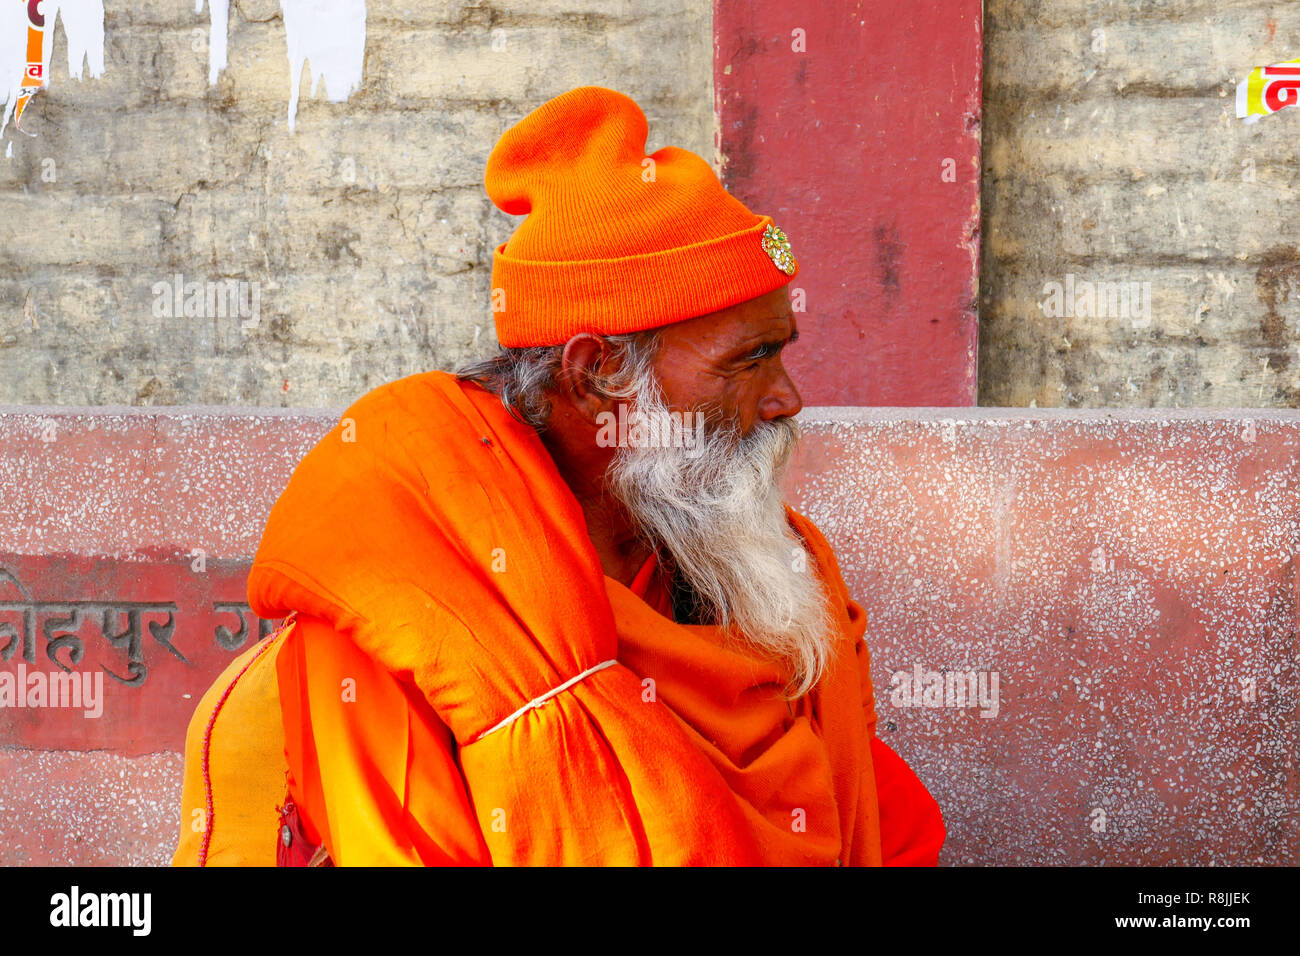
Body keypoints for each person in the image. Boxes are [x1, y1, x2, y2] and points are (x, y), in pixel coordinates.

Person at [173, 85, 944, 867]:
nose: (787, 399)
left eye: (781, 352)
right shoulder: (407, 597)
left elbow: (879, 822)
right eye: (748, 361)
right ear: (598, 372)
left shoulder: (757, 565)